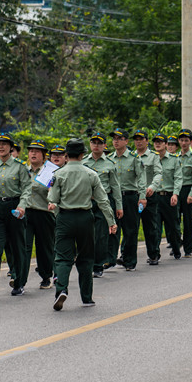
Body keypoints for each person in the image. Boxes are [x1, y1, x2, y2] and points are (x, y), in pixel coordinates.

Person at [47, 138, 116, 310]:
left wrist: (58, 213)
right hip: (85, 217)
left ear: (66, 154)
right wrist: (111, 221)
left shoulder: (58, 174)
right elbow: (103, 200)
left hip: (65, 217)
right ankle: (87, 297)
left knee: (63, 257)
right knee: (86, 258)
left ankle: (61, 289)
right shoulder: (91, 174)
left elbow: (53, 199)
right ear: (82, 154)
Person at [0, 133, 32, 299]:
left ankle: (19, 282)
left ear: (11, 147)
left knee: (17, 247)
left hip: (14, 207)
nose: (1, 147)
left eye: (4, 144)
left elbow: (27, 189)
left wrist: (22, 206)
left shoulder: (20, 166)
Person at [85, 132, 123, 277]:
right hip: (86, 201)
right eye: (93, 142)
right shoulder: (83, 162)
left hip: (104, 201)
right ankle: (87, 261)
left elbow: (115, 187)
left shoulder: (110, 164)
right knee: (87, 234)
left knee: (101, 235)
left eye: (99, 143)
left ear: (104, 145)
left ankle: (98, 265)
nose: (96, 146)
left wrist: (119, 206)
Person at [109, 129, 146, 271]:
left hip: (129, 196)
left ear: (126, 141)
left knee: (130, 230)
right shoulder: (109, 158)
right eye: (114, 139)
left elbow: (141, 178)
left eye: (119, 138)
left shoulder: (134, 158)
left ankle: (130, 260)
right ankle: (110, 259)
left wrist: (142, 197)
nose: (116, 141)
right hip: (113, 197)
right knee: (112, 229)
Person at [23, 139, 56, 290]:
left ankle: (46, 276)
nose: (33, 154)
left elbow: (56, 192)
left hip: (44, 212)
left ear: (44, 155)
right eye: (31, 151)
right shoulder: (23, 170)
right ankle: (20, 279)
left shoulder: (51, 172)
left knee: (44, 247)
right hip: (26, 212)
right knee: (24, 246)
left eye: (37, 151)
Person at [133, 129, 163, 265]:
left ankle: (153, 254)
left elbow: (158, 173)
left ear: (147, 141)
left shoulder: (153, 156)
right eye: (136, 139)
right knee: (130, 226)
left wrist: (152, 187)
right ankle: (126, 255)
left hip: (148, 195)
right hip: (134, 195)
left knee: (150, 227)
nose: (138, 142)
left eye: (141, 139)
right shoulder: (131, 156)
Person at [154, 134, 184, 260]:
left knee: (173, 227)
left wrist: (175, 194)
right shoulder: (151, 159)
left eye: (160, 142)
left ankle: (176, 247)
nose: (157, 144)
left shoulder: (174, 159)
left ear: (166, 144)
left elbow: (178, 178)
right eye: (155, 142)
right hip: (154, 197)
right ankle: (154, 255)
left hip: (169, 197)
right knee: (155, 227)